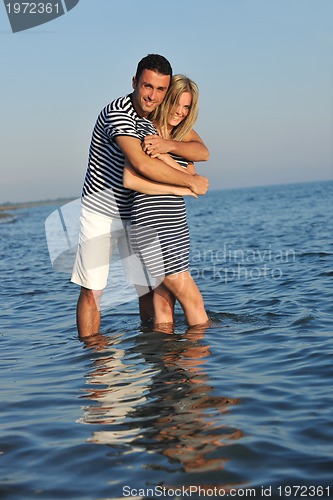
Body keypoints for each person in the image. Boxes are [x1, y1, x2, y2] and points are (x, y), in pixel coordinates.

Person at [71, 55, 209, 338]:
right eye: (147, 86)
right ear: (134, 82)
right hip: (102, 209)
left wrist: (174, 150)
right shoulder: (119, 113)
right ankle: (94, 363)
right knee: (93, 290)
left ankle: (152, 351)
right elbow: (141, 165)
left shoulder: (154, 120)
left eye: (160, 90)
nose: (152, 95)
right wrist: (189, 183)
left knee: (147, 290)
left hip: (136, 211)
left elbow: (200, 150)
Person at [123, 75, 209, 329]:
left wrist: (169, 150)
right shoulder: (144, 129)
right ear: (166, 99)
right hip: (151, 223)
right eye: (177, 104)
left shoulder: (180, 136)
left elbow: (201, 156)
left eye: (186, 107)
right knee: (193, 300)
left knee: (164, 303)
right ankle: (200, 366)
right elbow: (131, 180)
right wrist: (183, 187)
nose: (180, 112)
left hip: (176, 225)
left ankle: (168, 366)